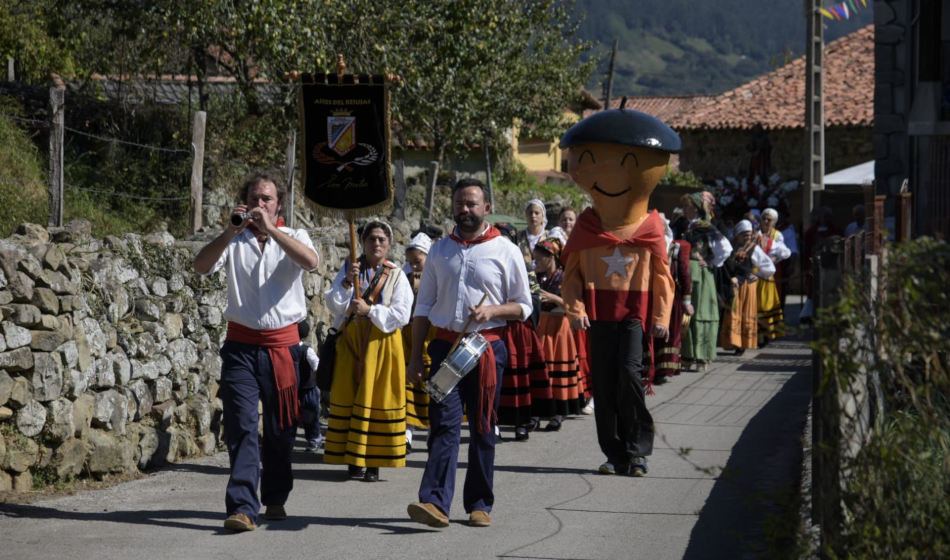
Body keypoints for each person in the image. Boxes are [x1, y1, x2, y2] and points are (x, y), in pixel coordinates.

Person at [193, 172, 319, 532]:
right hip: (241, 347)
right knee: (242, 425)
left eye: (267, 199)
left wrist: (273, 231)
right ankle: (243, 506)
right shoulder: (234, 239)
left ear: (278, 204)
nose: (259, 205)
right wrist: (230, 231)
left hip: (283, 348)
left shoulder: (293, 236)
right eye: (254, 198)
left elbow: (311, 262)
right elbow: (200, 266)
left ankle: (275, 496)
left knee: (281, 430)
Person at [406, 178, 532, 528]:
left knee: (482, 426)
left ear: (486, 208)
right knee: (443, 424)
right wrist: (416, 356)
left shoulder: (505, 249)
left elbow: (524, 306)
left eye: (472, 203)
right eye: (460, 203)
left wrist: (492, 312)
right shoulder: (439, 250)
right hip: (445, 347)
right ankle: (434, 503)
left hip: (487, 348)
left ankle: (479, 504)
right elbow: (423, 306)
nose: (466, 210)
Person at [323, 220, 413, 483]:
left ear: (389, 244)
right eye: (371, 239)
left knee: (378, 400)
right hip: (351, 342)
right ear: (362, 242)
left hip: (382, 345)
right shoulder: (350, 269)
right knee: (349, 396)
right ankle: (353, 458)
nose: (376, 244)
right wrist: (347, 283)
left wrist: (371, 311)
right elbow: (334, 305)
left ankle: (374, 461)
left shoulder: (396, 275)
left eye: (381, 240)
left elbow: (402, 314)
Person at [533, 237, 583, 427]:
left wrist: (553, 297)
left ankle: (558, 412)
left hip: (559, 327)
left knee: (557, 369)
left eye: (539, 260)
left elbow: (574, 305)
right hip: (541, 325)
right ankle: (537, 412)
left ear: (550, 257)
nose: (535, 263)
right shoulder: (536, 277)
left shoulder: (564, 277)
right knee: (541, 370)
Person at [679, 192, 732, 372]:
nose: (685, 210)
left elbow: (725, 248)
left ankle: (702, 356)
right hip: (683, 271)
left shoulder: (706, 227)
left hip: (700, 274)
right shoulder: (684, 225)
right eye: (684, 206)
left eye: (688, 207)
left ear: (696, 208)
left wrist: (710, 262)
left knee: (702, 314)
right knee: (685, 315)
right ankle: (687, 354)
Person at [718, 219, 775, 354]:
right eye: (744, 235)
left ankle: (741, 345)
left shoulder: (754, 249)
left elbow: (770, 267)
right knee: (733, 314)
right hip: (735, 286)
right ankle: (733, 342)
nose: (747, 237)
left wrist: (758, 274)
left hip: (747, 287)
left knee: (745, 315)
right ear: (738, 235)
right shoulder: (732, 248)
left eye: (749, 235)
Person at [402, 232, 434, 452]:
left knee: (433, 384)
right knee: (409, 384)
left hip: (432, 336)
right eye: (410, 261)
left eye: (418, 261)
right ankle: (407, 433)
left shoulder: (437, 277)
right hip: (409, 336)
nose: (413, 265)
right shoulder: (404, 277)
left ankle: (434, 432)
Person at [756, 208, 791, 344]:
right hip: (754, 274)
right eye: (764, 218)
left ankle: (766, 335)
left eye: (769, 219)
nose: (766, 221)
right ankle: (755, 335)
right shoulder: (756, 234)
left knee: (766, 304)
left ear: (775, 222)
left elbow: (785, 252)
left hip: (767, 276)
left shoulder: (777, 235)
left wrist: (775, 258)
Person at [293, 320, 322, 452]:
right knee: (299, 415)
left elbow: (317, 366)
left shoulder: (306, 350)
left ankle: (314, 438)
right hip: (300, 388)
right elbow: (317, 367)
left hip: (307, 388)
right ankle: (312, 439)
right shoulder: (305, 350)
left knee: (310, 414)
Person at [516, 199, 549, 268]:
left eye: (536, 213)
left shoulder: (549, 236)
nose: (533, 216)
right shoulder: (518, 236)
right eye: (530, 213)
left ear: (543, 216)